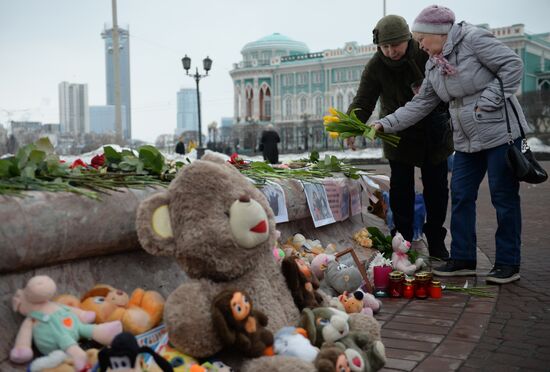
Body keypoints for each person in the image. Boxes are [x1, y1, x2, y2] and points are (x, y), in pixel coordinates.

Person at [372, 5, 529, 284]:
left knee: (502, 196)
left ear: (438, 33)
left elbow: (512, 65)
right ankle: (463, 258)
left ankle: (508, 262)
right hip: (466, 139)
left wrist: (487, 103)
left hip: (497, 133)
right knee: (461, 195)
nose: (419, 46)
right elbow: (420, 103)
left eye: (421, 40)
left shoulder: (473, 40)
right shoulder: (434, 63)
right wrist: (386, 123)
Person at [347, 14, 453, 260]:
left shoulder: (424, 52)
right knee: (401, 189)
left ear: (408, 39)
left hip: (433, 133)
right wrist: (353, 127)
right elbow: (364, 100)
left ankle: (436, 239)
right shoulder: (376, 65)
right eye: (384, 46)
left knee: (437, 189)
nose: (390, 51)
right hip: (397, 133)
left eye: (395, 45)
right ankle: (402, 238)